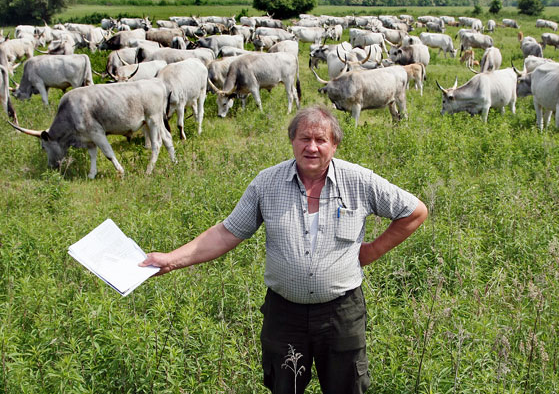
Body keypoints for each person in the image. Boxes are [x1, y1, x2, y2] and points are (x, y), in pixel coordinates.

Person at [140, 105, 428, 394]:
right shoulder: (267, 183)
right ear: (292, 141)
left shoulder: (359, 181)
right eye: (304, 139)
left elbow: (414, 211)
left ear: (335, 145)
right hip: (285, 314)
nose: (312, 147)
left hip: (341, 313)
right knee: (283, 387)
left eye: (321, 140)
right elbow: (227, 232)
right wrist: (171, 260)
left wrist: (372, 251)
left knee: (347, 387)